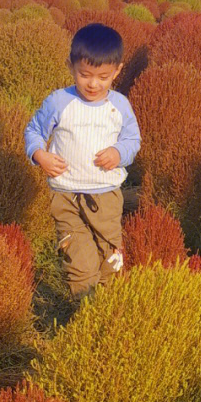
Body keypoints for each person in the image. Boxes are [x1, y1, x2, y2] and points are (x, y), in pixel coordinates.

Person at [24, 23, 140, 299]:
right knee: (80, 265)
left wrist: (118, 153)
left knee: (111, 259)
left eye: (103, 77)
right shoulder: (59, 101)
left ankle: (109, 310)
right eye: (85, 75)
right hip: (66, 198)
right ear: (70, 66)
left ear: (117, 71)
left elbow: (132, 141)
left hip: (107, 198)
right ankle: (85, 313)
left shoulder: (120, 106)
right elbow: (34, 131)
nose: (93, 84)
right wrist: (40, 155)